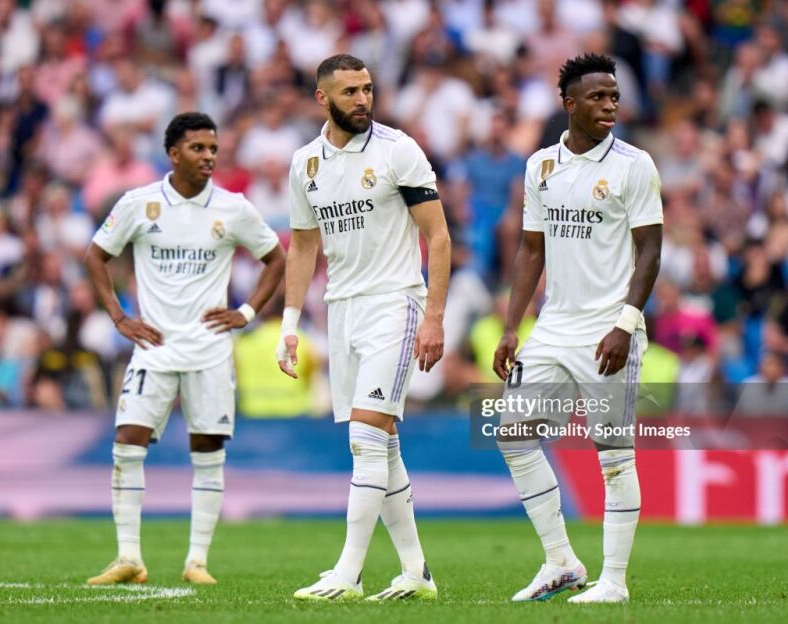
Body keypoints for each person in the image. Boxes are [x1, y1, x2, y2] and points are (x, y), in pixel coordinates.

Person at [83, 112, 285, 585]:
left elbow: (276, 258)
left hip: (209, 349)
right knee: (127, 441)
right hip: (154, 347)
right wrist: (119, 317)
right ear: (173, 154)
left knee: (207, 448)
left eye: (213, 148)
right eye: (198, 148)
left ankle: (197, 562)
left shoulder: (233, 208)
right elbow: (96, 255)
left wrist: (246, 312)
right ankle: (129, 557)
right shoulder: (139, 204)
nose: (208, 156)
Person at [278, 54, 451, 602]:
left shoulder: (398, 150)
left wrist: (434, 316)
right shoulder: (305, 163)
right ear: (322, 98)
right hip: (342, 309)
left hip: (394, 304)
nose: (362, 100)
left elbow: (438, 236)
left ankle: (347, 574)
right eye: (350, 91)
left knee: (366, 437)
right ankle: (416, 572)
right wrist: (289, 323)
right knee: (383, 445)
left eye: (368, 89)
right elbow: (302, 245)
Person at [492, 54, 663, 604]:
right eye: (598, 97)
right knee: (512, 433)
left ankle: (613, 581)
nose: (610, 106)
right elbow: (531, 250)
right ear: (569, 104)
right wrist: (511, 327)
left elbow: (650, 250)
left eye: (614, 97)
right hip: (554, 327)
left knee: (612, 453)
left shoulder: (635, 165)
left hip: (609, 327)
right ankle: (561, 562)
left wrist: (626, 323)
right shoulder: (541, 166)